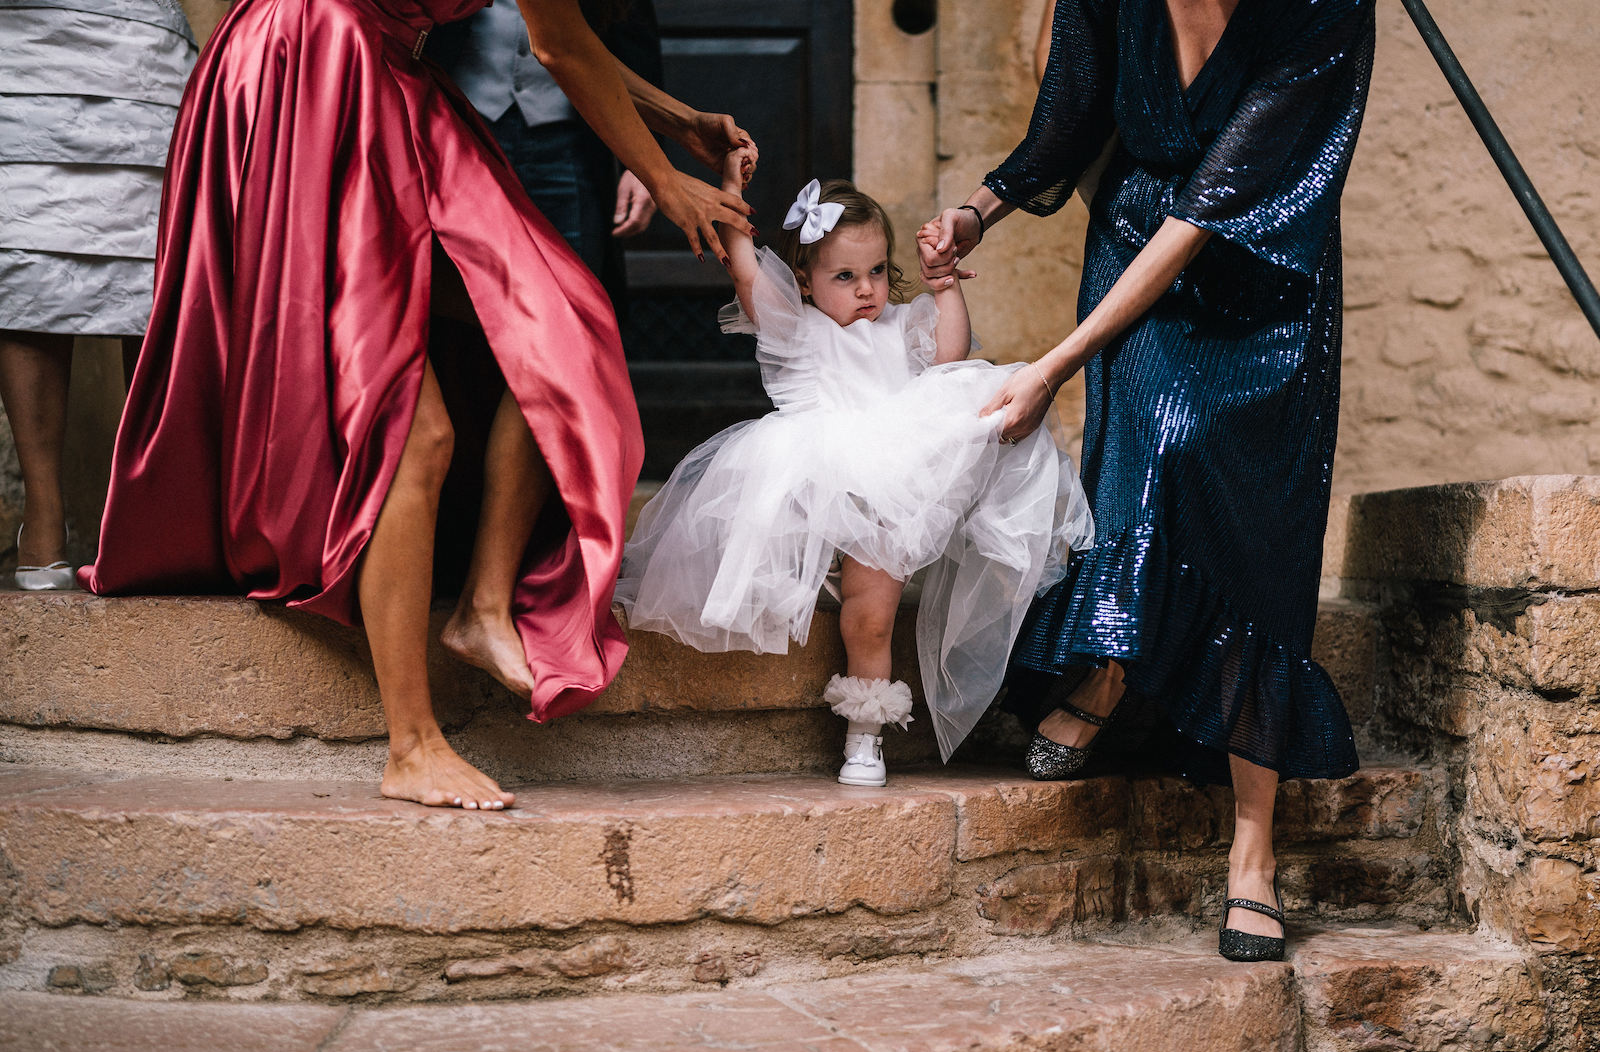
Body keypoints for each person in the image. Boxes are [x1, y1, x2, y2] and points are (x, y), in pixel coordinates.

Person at [80, 0, 757, 812]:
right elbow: (559, 43)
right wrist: (664, 178)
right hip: (313, 67)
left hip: (387, 70)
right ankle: (412, 745)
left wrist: (681, 121)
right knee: (414, 422)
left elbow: (561, 35)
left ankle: (481, 606)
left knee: (562, 323)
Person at [920, 0, 1375, 961]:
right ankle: (1114, 664)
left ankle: (1254, 846)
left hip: (1267, 293)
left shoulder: (1325, 9)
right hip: (1135, 258)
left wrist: (1054, 366)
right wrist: (979, 212)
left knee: (1262, 542)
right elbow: (1073, 114)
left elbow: (1218, 202)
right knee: (1151, 461)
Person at [617, 160, 1093, 786]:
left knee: (869, 616)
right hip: (815, 476)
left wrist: (945, 283)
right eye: (844, 276)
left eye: (875, 271)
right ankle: (819, 571)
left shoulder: (899, 326)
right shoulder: (799, 331)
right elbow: (744, 269)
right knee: (781, 537)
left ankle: (864, 734)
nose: (866, 289)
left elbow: (951, 358)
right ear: (807, 283)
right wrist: (732, 195)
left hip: (887, 493)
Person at [0, 0, 197, 590]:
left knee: (156, 270)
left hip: (137, 40)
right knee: (27, 253)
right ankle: (44, 518)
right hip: (23, 47)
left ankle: (148, 515)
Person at [429, 0, 661, 304]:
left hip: (567, 146)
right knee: (461, 298)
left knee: (574, 298)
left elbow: (634, 43)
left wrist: (645, 164)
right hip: (462, 136)